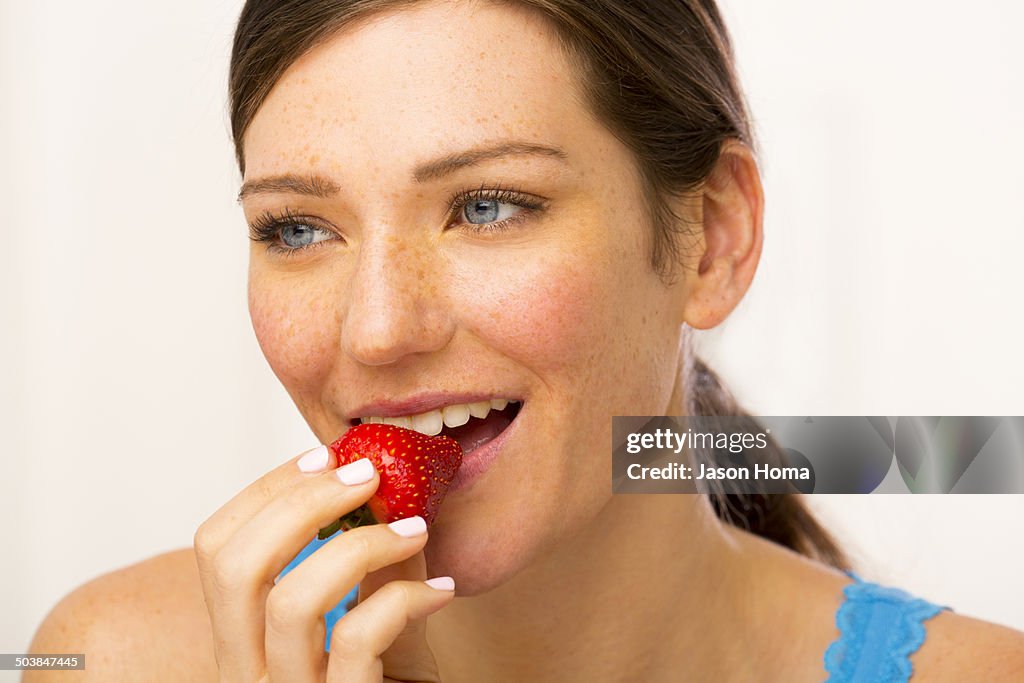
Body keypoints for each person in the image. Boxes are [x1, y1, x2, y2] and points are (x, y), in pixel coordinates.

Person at [27, 0, 1024, 680]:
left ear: (713, 238)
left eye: (489, 206)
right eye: (297, 227)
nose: (376, 329)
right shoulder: (115, 656)